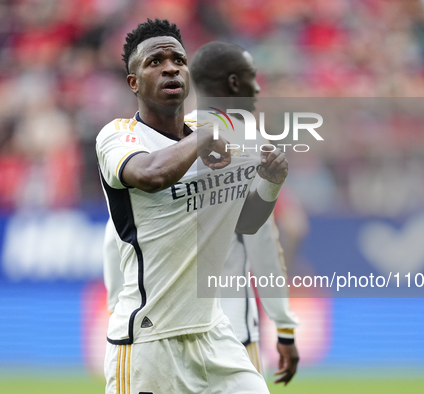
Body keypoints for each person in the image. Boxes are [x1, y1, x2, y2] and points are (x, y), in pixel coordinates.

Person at [96, 19, 288, 393]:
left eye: (178, 60)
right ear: (133, 82)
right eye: (155, 62)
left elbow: (245, 224)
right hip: (149, 342)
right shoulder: (118, 136)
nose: (170, 67)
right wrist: (205, 137)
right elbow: (150, 174)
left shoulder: (213, 133)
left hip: (214, 335)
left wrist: (271, 183)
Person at [189, 41, 300, 385]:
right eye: (252, 77)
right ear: (234, 83)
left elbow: (123, 234)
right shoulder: (250, 143)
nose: (259, 86)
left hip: (169, 329)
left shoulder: (160, 140)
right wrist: (283, 325)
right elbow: (262, 243)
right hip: (231, 329)